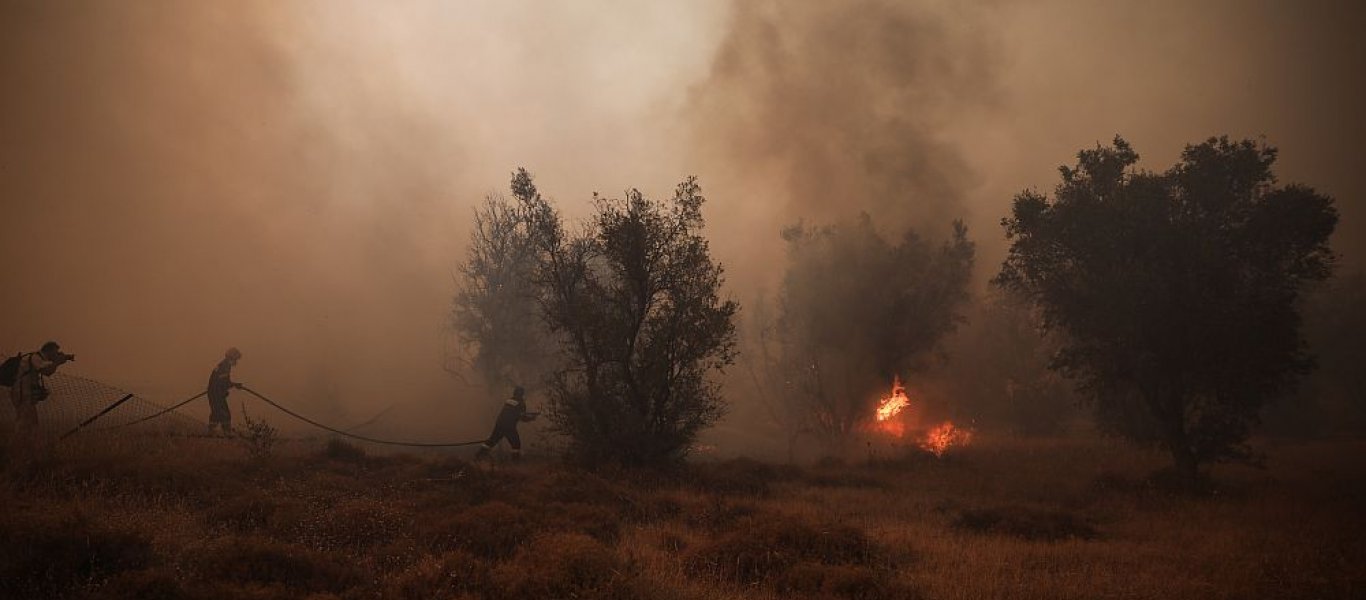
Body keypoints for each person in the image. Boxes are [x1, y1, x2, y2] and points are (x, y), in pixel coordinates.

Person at [8, 341, 75, 455]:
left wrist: (59, 360)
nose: (56, 354)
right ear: (48, 350)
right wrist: (58, 361)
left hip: (25, 395)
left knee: (31, 422)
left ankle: (25, 447)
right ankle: (17, 448)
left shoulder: (37, 358)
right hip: (22, 394)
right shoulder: (35, 358)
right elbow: (47, 371)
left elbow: (47, 368)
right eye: (55, 351)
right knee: (24, 421)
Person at [475, 385, 537, 462]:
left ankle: (478, 458)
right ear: (522, 394)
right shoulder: (521, 403)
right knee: (516, 444)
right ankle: (515, 462)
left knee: (491, 442)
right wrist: (532, 418)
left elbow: (513, 413)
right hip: (509, 426)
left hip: (499, 424)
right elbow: (522, 417)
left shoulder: (509, 400)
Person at [206, 347, 244, 435]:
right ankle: (227, 433)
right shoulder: (225, 366)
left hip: (215, 393)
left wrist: (232, 385)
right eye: (236, 359)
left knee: (216, 413)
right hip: (216, 395)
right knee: (224, 414)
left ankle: (211, 432)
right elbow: (224, 382)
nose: (236, 362)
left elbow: (223, 382)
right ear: (232, 357)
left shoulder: (224, 365)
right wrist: (235, 385)